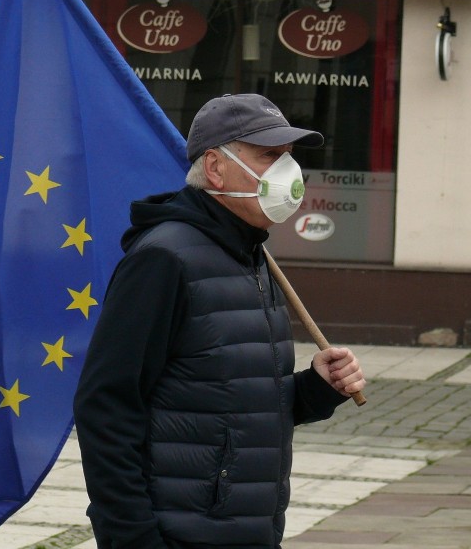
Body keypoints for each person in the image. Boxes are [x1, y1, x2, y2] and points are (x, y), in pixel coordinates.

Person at [73, 94, 366, 549]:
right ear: (215, 167)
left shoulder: (251, 254)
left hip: (248, 530)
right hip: (180, 533)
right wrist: (132, 537)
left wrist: (314, 388)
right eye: (269, 155)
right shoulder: (164, 260)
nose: (287, 171)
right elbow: (106, 407)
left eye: (288, 156)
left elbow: (227, 399)